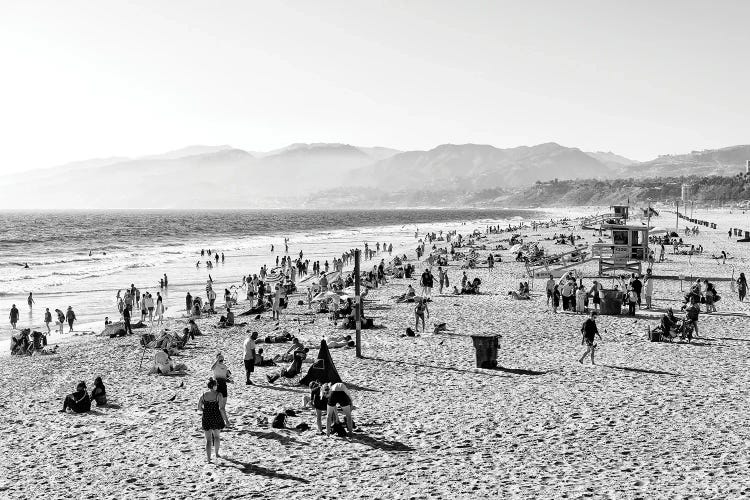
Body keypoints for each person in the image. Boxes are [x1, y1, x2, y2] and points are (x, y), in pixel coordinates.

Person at [197, 378, 230, 463]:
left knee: (208, 440)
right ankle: (216, 453)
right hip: (216, 416)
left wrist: (206, 409)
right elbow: (222, 409)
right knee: (217, 436)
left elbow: (199, 408)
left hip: (206, 417)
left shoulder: (203, 395)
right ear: (214, 386)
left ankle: (208, 459)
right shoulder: (219, 395)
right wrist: (226, 420)